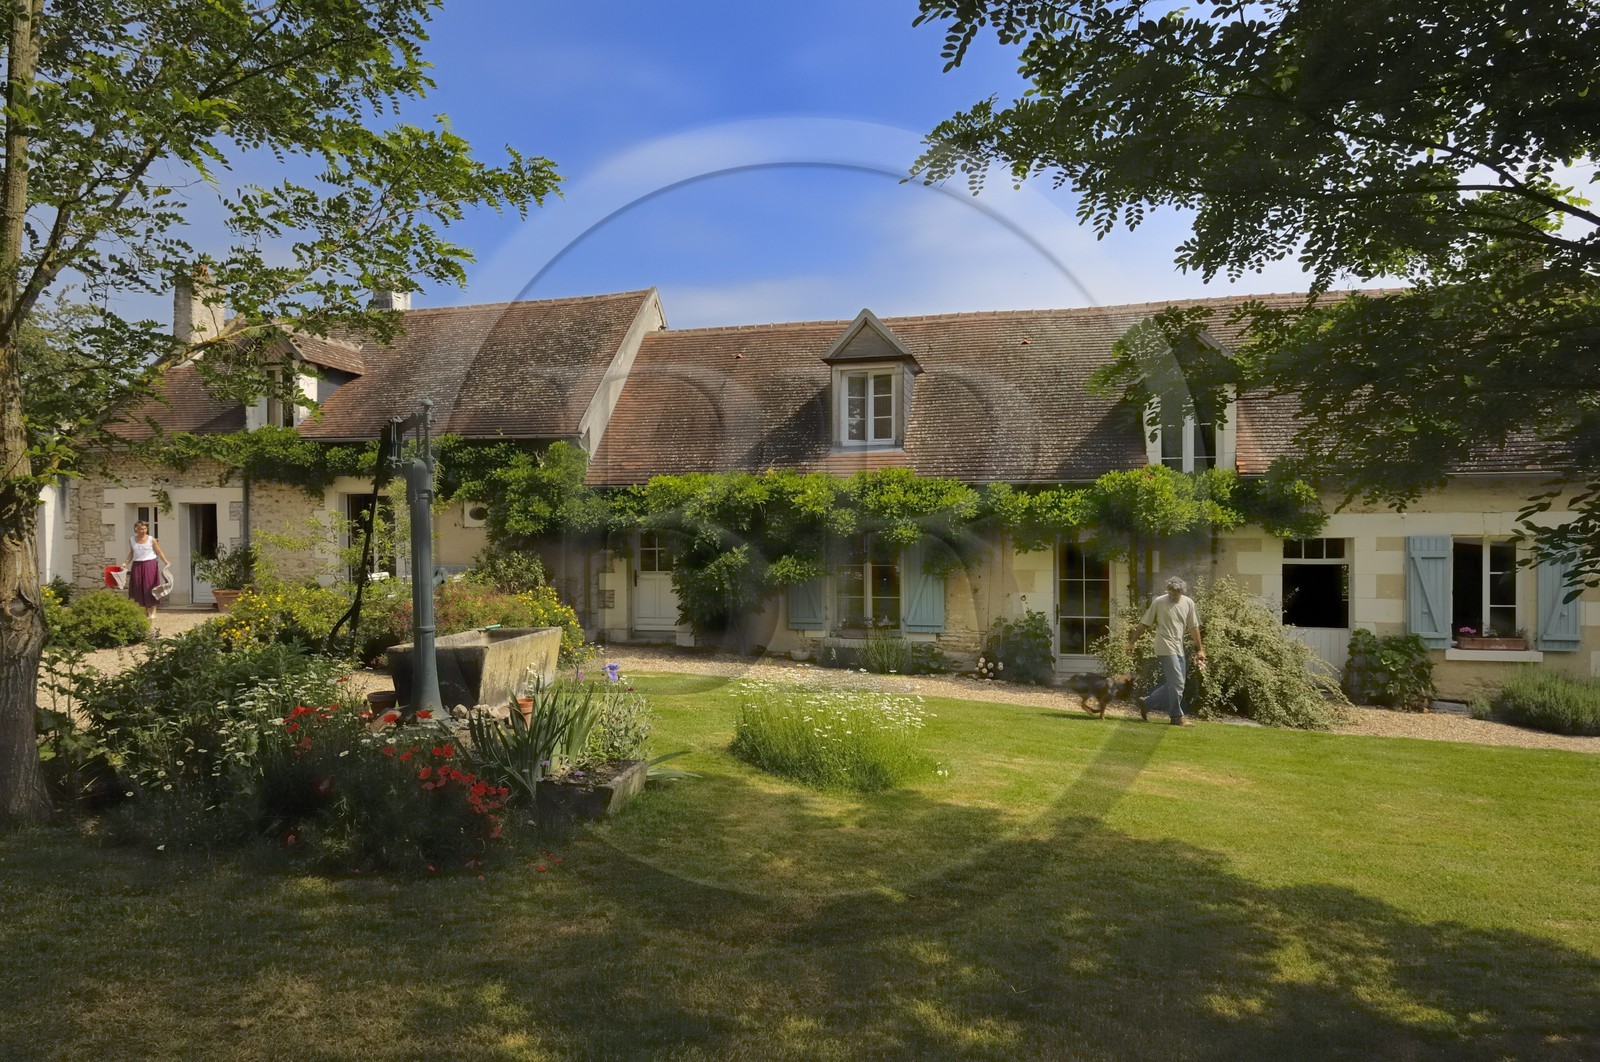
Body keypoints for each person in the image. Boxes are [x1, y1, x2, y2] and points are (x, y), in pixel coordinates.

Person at [1128, 577, 1206, 727]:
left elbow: (1193, 627)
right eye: (1170, 591)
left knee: (1176, 683)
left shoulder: (1188, 603)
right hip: (1164, 645)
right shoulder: (1159, 602)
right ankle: (1176, 717)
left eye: (1175, 593)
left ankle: (1147, 703)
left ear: (1181, 592)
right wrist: (1132, 642)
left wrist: (1200, 649)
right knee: (1177, 682)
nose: (1172, 595)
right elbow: (1144, 624)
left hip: (1178, 647)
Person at [125, 520, 170, 622]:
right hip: (137, 565)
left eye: (145, 528)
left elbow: (159, 551)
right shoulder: (131, 540)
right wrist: (125, 562)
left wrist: (166, 562)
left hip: (150, 564)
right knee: (138, 587)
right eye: (141, 529)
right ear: (136, 529)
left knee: (151, 586)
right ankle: (144, 610)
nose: (144, 530)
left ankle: (153, 610)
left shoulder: (151, 539)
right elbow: (131, 553)